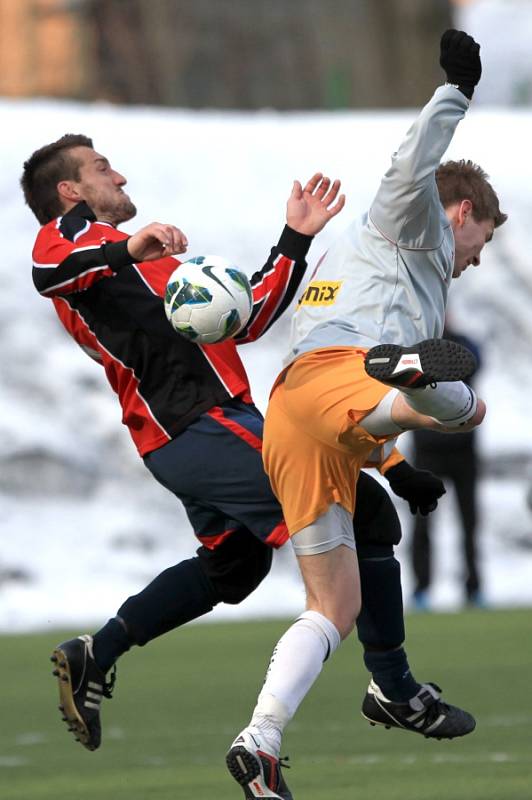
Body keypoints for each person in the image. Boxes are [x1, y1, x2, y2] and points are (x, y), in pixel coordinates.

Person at [21, 135, 446, 757]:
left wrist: (294, 239)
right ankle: (396, 688)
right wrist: (129, 245)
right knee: (369, 514)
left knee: (236, 566)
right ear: (69, 190)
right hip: (197, 426)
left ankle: (97, 652)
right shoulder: (71, 241)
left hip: (197, 437)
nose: (120, 175)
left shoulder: (155, 267)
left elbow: (246, 316)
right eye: (103, 167)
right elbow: (50, 270)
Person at [227, 29, 507, 800]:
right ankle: (419, 382)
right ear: (460, 212)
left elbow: (335, 403)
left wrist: (390, 466)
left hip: (300, 418)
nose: (477, 257)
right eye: (480, 239)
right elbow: (408, 164)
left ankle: (262, 741)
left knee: (333, 603)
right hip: (339, 379)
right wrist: (455, 90)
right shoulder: (408, 224)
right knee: (462, 406)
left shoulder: (364, 262)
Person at [411, 324, 483, 610]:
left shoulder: (462, 343)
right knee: (422, 524)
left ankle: (474, 589)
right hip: (427, 452)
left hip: (463, 450)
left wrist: (450, 339)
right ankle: (421, 590)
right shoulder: (415, 349)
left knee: (470, 523)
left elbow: (477, 361)